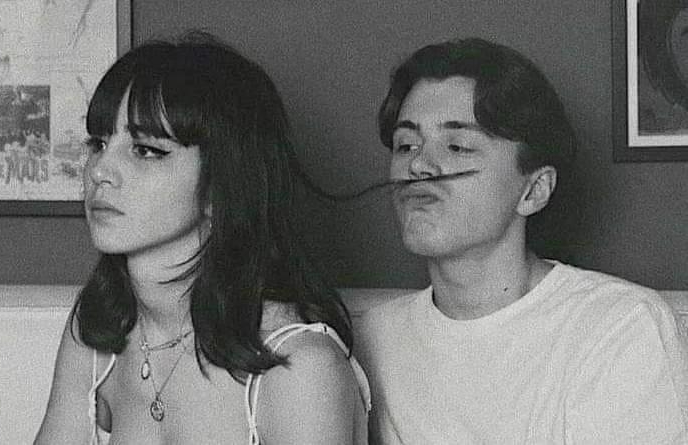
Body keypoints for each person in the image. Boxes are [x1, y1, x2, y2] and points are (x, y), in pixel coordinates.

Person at [35, 32, 370, 445]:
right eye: (99, 143)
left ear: (221, 185)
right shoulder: (99, 326)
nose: (100, 170)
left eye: (146, 150)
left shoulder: (301, 367)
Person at [356, 37, 688, 444]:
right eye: (406, 145)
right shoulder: (373, 338)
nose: (419, 165)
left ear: (534, 190)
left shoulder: (620, 327)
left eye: (457, 146)